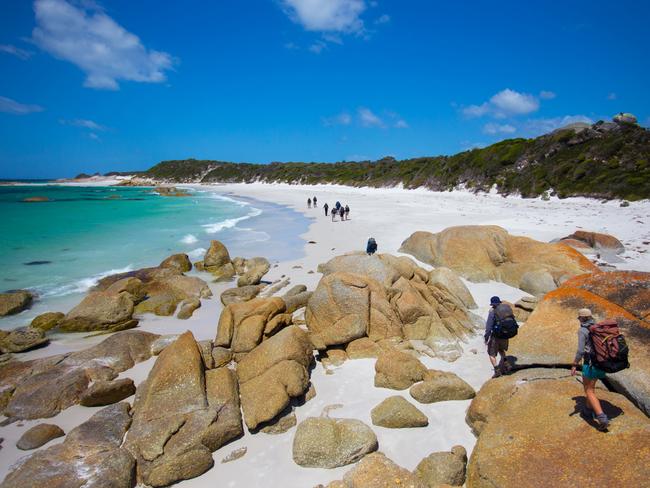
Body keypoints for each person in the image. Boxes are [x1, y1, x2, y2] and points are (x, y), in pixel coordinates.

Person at [571, 308, 610, 431]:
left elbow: (580, 351)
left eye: (579, 318)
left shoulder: (583, 330)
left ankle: (602, 418)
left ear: (582, 318)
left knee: (589, 391)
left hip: (590, 364)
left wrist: (574, 364)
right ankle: (587, 411)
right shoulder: (599, 327)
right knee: (591, 388)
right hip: (601, 363)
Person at [484, 296, 512, 377]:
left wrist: (486, 338)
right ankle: (506, 363)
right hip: (505, 334)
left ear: (492, 304)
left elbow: (488, 327)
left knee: (491, 354)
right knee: (501, 349)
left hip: (496, 336)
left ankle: (497, 370)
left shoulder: (492, 311)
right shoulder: (506, 309)